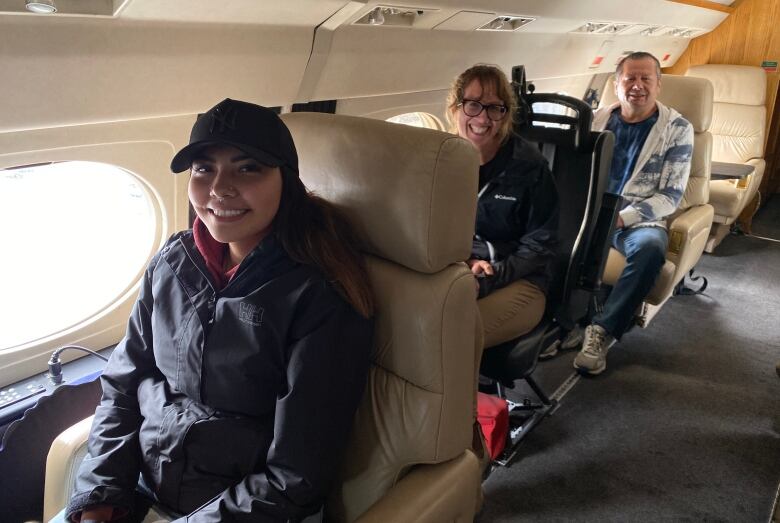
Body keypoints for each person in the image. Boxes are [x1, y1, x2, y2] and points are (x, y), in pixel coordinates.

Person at [62, 99, 374, 522]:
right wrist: (101, 496)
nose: (219, 188)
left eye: (247, 168)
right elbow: (122, 385)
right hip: (140, 489)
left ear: (286, 180)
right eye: (204, 168)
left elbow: (295, 475)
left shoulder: (318, 296)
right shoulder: (172, 263)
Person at [572, 52, 693, 375]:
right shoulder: (595, 120)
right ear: (616, 84)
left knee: (651, 249)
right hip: (592, 212)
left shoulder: (677, 129)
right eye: (630, 78)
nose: (637, 86)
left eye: (645, 79)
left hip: (639, 219)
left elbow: (671, 195)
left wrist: (622, 218)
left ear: (658, 85)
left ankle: (602, 330)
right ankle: (560, 320)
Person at [446, 64, 558, 351]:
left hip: (521, 280)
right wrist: (468, 263)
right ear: (455, 108)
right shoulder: (440, 160)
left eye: (495, 108)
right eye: (473, 105)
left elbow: (538, 248)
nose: (482, 118)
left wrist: (488, 278)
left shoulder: (529, 168)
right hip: (460, 271)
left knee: (455, 337)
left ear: (505, 115)